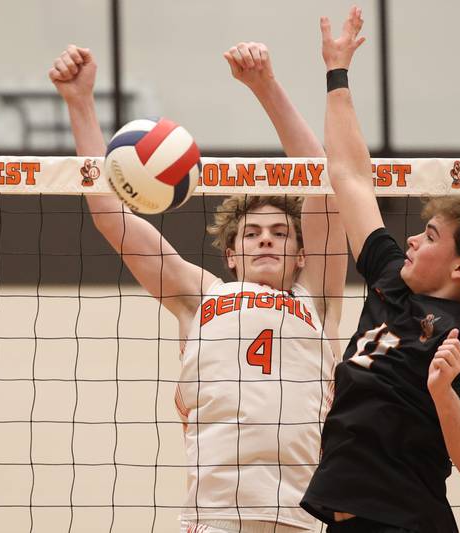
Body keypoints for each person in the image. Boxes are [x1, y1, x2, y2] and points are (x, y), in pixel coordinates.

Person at [49, 41, 348, 532]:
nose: (267, 241)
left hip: (306, 518)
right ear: (231, 255)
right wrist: (80, 103)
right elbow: (110, 216)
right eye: (252, 234)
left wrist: (264, 87)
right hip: (215, 519)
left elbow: (321, 181)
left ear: (301, 254)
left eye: (280, 234)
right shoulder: (201, 296)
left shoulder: (318, 297)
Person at [300, 7, 460, 533]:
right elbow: (349, 174)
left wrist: (443, 391)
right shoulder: (391, 277)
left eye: (431, 235)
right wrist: (336, 73)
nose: (412, 238)